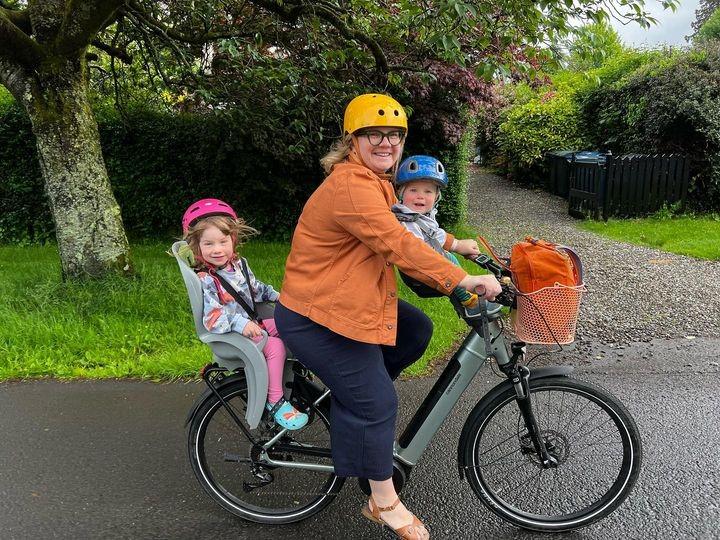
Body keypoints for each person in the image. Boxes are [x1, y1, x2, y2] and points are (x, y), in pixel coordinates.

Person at [273, 93, 501, 539]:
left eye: (395, 135)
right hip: (317, 315)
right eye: (374, 134)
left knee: (416, 330)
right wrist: (459, 279)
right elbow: (396, 244)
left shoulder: (374, 180)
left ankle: (354, 408)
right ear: (352, 139)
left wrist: (455, 251)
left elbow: (408, 232)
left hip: (347, 303)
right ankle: (382, 503)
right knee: (378, 401)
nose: (386, 142)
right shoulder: (352, 185)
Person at [182, 198, 308, 430]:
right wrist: (240, 324)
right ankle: (276, 401)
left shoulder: (238, 264)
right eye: (208, 244)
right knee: (275, 346)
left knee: (291, 325)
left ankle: (300, 379)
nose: (217, 249)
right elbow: (212, 318)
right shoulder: (207, 279)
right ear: (196, 247)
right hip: (234, 333)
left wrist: (278, 296)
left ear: (233, 239)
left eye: (223, 241)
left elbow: (254, 289)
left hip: (252, 323)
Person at [392, 155, 499, 317]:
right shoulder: (407, 221)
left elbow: (435, 234)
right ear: (401, 193)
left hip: (427, 268)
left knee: (450, 259)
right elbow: (415, 251)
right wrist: (455, 248)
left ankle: (466, 299)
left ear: (436, 197)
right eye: (413, 190)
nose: (420, 196)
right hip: (419, 274)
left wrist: (457, 244)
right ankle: (470, 303)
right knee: (449, 264)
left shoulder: (421, 216)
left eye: (428, 191)